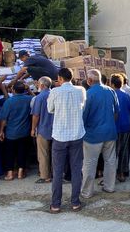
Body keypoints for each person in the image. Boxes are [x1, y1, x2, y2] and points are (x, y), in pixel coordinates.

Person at [46, 67, 86, 213]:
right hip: (77, 135)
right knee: (76, 169)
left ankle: (56, 204)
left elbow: (50, 109)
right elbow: (83, 106)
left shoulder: (54, 92)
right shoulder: (81, 90)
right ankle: (75, 202)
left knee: (57, 171)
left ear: (60, 78)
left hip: (60, 136)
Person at [81, 69, 118, 197]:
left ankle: (87, 191)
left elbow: (84, 116)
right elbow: (116, 112)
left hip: (93, 135)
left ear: (89, 80)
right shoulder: (111, 91)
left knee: (90, 163)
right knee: (110, 161)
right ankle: (109, 186)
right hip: (110, 132)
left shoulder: (88, 94)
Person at [0, 80, 33, 180]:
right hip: (25, 131)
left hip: (11, 132)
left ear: (13, 90)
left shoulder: (9, 102)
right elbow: (36, 97)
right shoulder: (29, 99)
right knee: (22, 151)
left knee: (10, 153)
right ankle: (21, 172)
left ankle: (10, 173)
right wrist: (29, 90)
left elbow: (3, 119)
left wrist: (1, 131)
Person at [31, 76, 55, 184]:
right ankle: (56, 173)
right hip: (55, 129)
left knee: (43, 154)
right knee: (55, 153)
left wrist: (33, 128)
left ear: (41, 85)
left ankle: (45, 176)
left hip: (43, 128)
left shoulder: (39, 97)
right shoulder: (55, 94)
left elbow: (36, 115)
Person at [110, 74, 130, 182]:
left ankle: (110, 175)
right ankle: (121, 173)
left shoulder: (111, 95)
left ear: (112, 84)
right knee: (123, 151)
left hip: (113, 127)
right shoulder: (126, 95)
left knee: (111, 153)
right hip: (125, 126)